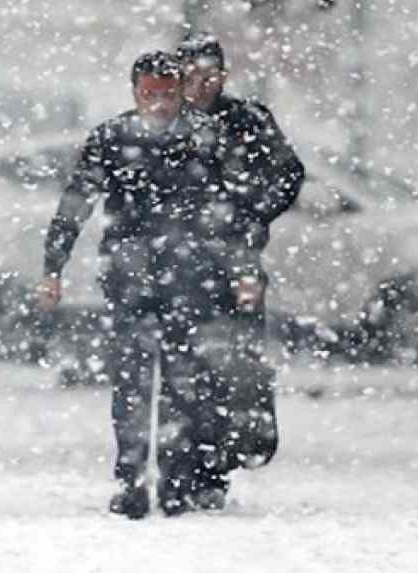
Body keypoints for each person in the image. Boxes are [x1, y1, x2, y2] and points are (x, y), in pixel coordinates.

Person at [38, 51, 240, 518]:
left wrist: (236, 268)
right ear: (135, 92)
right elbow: (76, 201)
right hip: (132, 277)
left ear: (181, 91)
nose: (159, 104)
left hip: (190, 279)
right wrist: (53, 266)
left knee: (183, 384)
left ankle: (175, 480)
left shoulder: (206, 138)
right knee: (133, 381)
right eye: (150, 94)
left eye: (167, 94)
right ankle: (132, 480)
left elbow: (232, 210)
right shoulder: (113, 137)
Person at [174, 32, 305, 500]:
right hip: (176, 264)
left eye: (209, 75)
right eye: (191, 75)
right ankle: (186, 461)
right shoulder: (165, 122)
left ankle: (223, 459)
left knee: (236, 365)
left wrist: (251, 213)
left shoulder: (248, 119)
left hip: (236, 262)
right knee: (182, 364)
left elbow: (288, 173)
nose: (201, 84)